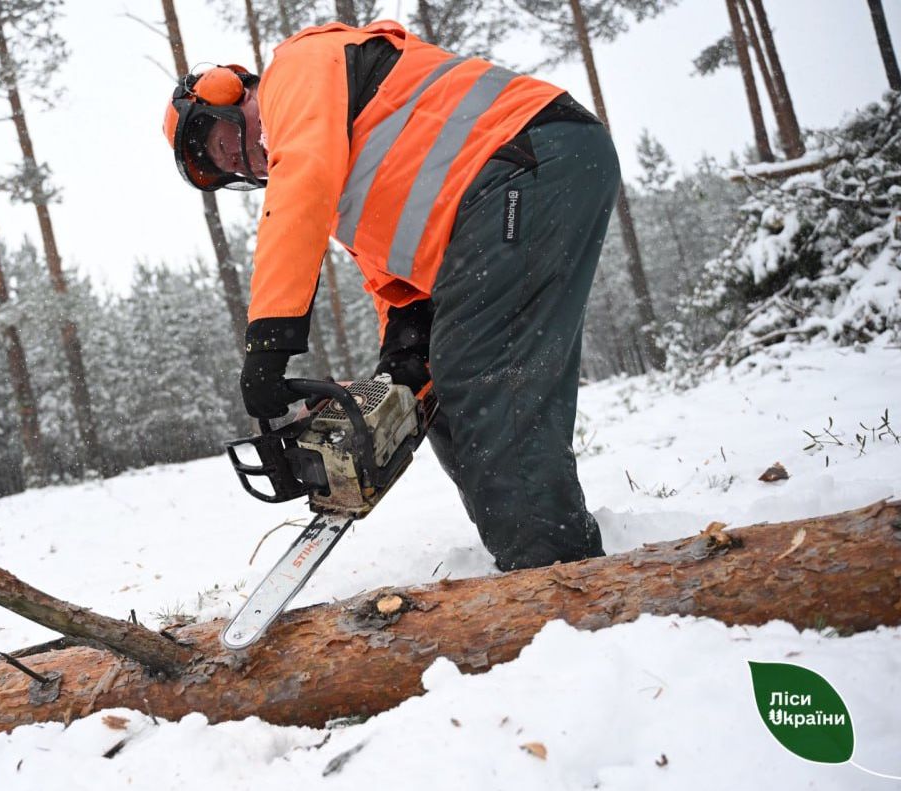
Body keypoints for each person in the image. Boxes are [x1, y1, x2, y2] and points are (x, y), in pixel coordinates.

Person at [162, 19, 614, 572]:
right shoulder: (353, 172)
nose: (244, 158)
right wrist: (399, 367)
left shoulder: (296, 71)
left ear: (235, 93)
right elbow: (396, 287)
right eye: (233, 165)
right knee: (443, 390)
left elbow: (298, 184)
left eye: (228, 141)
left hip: (525, 157)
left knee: (480, 372)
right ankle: (530, 557)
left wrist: (268, 344)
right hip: (509, 185)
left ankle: (557, 575)